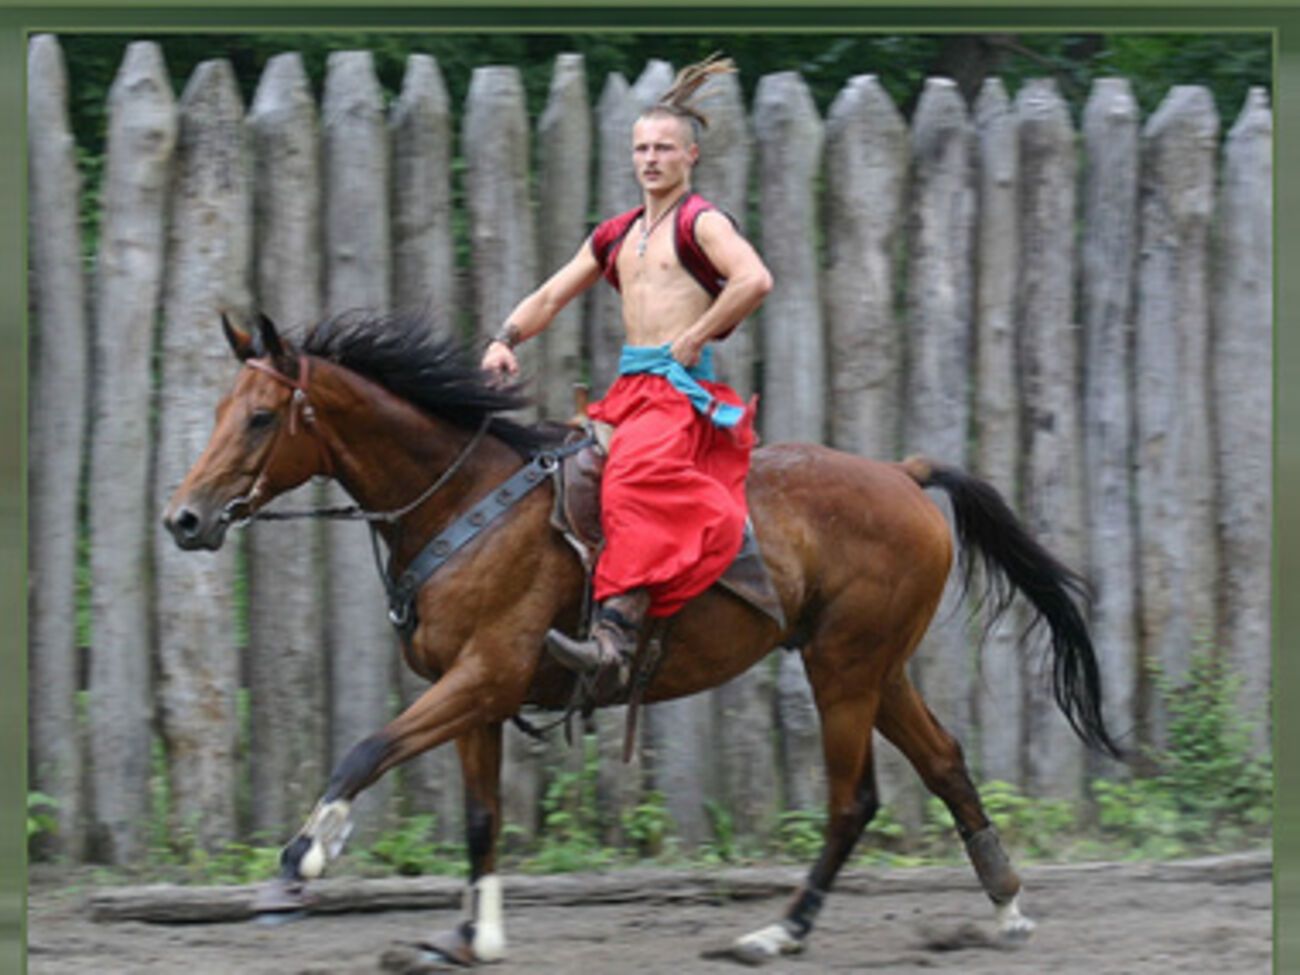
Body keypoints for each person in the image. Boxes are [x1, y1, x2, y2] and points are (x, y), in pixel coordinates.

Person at [481, 55, 773, 696]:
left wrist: (697, 334)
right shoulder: (616, 235)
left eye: (664, 148)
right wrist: (505, 338)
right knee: (559, 473)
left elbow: (754, 279)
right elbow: (551, 295)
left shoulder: (702, 222)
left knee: (633, 479)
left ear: (690, 155)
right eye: (642, 148)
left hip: (680, 393)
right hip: (630, 392)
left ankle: (615, 634)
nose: (651, 159)